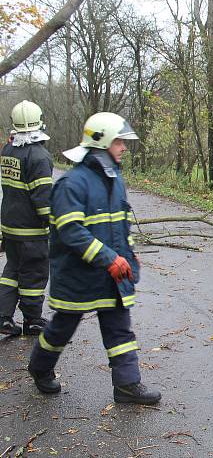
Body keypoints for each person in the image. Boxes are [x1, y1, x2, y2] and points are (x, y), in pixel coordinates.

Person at [28, 112, 161, 405]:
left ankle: (127, 385)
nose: (123, 147)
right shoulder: (73, 184)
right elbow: (71, 231)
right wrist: (109, 258)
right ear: (101, 144)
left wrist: (128, 253)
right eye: (118, 142)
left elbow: (120, 222)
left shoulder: (114, 178)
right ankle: (39, 368)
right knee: (62, 327)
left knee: (119, 328)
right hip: (79, 276)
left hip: (110, 277)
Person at [0, 100, 53, 337]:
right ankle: (32, 320)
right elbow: (42, 198)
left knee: (12, 270)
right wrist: (54, 223)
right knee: (33, 273)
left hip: (10, 226)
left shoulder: (8, 150)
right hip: (31, 231)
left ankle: (3, 318)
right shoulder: (39, 156)